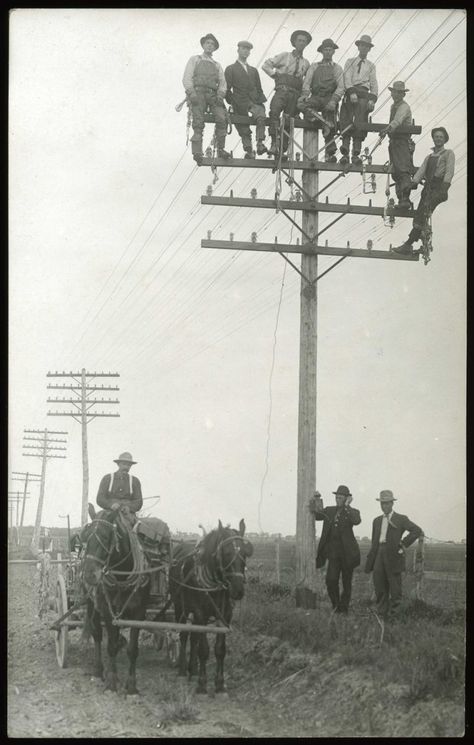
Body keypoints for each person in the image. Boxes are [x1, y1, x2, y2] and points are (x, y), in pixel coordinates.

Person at [392, 126, 455, 255]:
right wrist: (412, 183)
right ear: (433, 139)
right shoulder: (429, 156)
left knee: (422, 214)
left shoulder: (448, 153)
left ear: (445, 139)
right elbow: (421, 171)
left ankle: (408, 244)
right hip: (428, 189)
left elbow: (449, 171)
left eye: (441, 137)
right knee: (420, 215)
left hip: (439, 188)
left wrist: (444, 188)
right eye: (436, 136)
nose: (438, 139)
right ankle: (422, 241)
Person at [365, 490, 422, 619]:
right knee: (379, 584)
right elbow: (374, 541)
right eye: (382, 503)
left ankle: (395, 616)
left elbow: (416, 530)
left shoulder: (401, 519)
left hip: (393, 555)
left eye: (386, 503)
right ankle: (381, 615)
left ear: (392, 503)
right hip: (379, 554)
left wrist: (403, 543)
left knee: (395, 587)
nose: (384, 506)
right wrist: (372, 558)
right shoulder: (376, 521)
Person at [308, 485, 361, 614]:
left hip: (348, 555)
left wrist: (347, 506)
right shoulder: (330, 511)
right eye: (336, 497)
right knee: (331, 580)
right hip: (333, 555)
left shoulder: (352, 511)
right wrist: (317, 498)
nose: (337, 500)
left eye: (341, 498)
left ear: (347, 499)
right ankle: (336, 607)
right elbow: (317, 514)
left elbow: (356, 521)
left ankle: (344, 609)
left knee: (346, 583)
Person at [262, 30, 312, 157]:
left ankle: (282, 150)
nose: (301, 43)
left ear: (306, 44)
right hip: (282, 90)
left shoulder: (306, 63)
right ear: (294, 42)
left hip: (295, 94)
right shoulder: (285, 56)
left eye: (304, 41)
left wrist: (304, 95)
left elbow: (307, 82)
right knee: (274, 111)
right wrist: (275, 75)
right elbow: (266, 65)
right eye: (299, 40)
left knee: (289, 120)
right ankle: (273, 143)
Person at [182, 33, 230, 165]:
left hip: (212, 94)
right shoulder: (195, 59)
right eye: (208, 43)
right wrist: (191, 92)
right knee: (198, 120)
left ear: (214, 48)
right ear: (203, 45)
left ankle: (221, 149)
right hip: (198, 93)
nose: (210, 46)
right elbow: (187, 77)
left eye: (212, 44)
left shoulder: (217, 65)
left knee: (221, 118)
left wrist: (220, 95)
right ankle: (197, 151)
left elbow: (222, 82)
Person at [297, 38, 344, 162]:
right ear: (322, 51)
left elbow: (341, 86)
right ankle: (319, 120)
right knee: (302, 105)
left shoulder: (337, 68)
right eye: (326, 50)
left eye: (330, 50)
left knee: (331, 119)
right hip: (316, 97)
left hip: (329, 98)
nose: (328, 52)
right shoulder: (314, 66)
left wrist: (334, 100)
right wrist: (305, 94)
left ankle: (330, 152)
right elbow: (307, 82)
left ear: (333, 52)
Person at [339, 35, 378, 165]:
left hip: (364, 95)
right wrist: (351, 92)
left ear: (369, 49)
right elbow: (347, 78)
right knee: (346, 120)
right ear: (358, 46)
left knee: (360, 122)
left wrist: (372, 99)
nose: (364, 48)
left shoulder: (371, 66)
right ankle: (344, 153)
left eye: (366, 46)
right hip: (351, 93)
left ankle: (356, 153)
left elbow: (374, 84)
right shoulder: (350, 61)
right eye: (362, 45)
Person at [225, 41, 267, 158]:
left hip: (253, 101)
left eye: (248, 49)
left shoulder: (253, 70)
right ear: (238, 50)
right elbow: (226, 89)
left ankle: (260, 143)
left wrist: (259, 101)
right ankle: (249, 150)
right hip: (239, 101)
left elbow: (259, 88)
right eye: (243, 48)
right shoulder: (231, 69)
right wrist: (232, 101)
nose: (246, 51)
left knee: (261, 116)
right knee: (243, 126)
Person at [380, 81, 415, 208]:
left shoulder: (404, 107)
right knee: (395, 171)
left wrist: (388, 129)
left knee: (403, 170)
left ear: (403, 94)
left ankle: (405, 199)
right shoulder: (393, 106)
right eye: (394, 92)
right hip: (394, 142)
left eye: (399, 92)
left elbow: (397, 120)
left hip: (402, 142)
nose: (396, 94)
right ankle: (401, 199)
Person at [96, 451, 143, 524]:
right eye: (124, 464)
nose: (126, 467)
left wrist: (129, 508)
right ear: (118, 464)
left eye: (129, 465)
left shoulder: (134, 481)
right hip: (108, 514)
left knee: (136, 531)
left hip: (127, 515)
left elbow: (138, 502)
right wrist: (110, 505)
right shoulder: (107, 478)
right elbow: (100, 498)